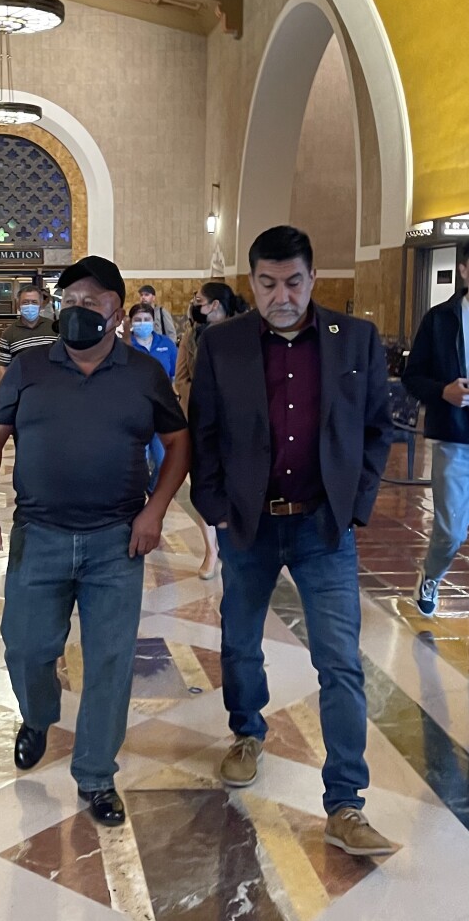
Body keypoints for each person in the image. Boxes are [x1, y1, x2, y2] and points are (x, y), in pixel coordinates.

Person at [189, 225, 393, 857]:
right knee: (240, 642)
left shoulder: (354, 339)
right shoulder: (222, 344)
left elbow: (376, 429)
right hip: (250, 525)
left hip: (322, 527)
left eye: (295, 282)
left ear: (314, 277)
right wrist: (217, 507)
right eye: (270, 284)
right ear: (253, 283)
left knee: (340, 662)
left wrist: (355, 505)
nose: (283, 296)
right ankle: (247, 732)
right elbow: (204, 434)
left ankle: (346, 803)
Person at [0, 256, 189, 827]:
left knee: (111, 660)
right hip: (38, 535)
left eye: (89, 304)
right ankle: (38, 715)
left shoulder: (143, 373)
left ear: (118, 314)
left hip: (116, 541)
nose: (75, 311)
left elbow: (179, 441)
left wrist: (155, 511)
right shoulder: (28, 367)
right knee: (24, 646)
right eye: (66, 302)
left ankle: (95, 773)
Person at [402, 241, 469, 616]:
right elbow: (413, 377)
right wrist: (443, 392)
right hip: (455, 439)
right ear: (463, 269)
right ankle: (431, 574)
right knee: (451, 530)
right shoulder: (440, 319)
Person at [180, 283, 251, 579]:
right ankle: (211, 551)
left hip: (241, 424)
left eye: (202, 301)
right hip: (204, 420)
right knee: (206, 482)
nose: (197, 306)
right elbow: (181, 376)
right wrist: (198, 403)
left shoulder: (246, 332)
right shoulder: (192, 334)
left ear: (218, 304)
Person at [128, 302, 178, 491]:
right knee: (138, 460)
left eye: (146, 319)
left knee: (163, 459)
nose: (142, 323)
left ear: (153, 321)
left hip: (160, 411)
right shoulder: (126, 346)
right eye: (138, 320)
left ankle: (152, 488)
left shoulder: (165, 344)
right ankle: (137, 496)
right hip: (135, 410)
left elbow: (173, 374)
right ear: (131, 323)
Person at [0, 284, 56, 383]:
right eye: (25, 302)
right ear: (18, 305)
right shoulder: (9, 333)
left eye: (34, 302)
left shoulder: (54, 329)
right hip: (22, 389)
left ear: (41, 305)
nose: (30, 306)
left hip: (52, 387)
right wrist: (1, 395)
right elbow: (3, 367)